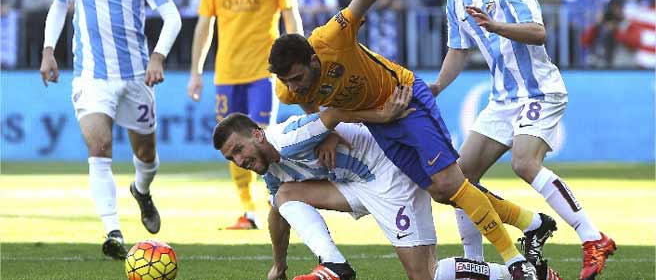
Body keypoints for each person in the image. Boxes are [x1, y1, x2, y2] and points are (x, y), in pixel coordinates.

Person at [268, 0, 547, 280]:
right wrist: (328, 135)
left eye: (296, 78)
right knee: (440, 192)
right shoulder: (289, 88)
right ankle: (532, 223)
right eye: (286, 81)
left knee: (451, 183)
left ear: (313, 60)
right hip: (380, 122)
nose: (292, 87)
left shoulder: (331, 37)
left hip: (406, 99)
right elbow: (309, 103)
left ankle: (515, 262)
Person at [421, 0, 616, 280]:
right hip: (502, 100)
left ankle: (593, 238)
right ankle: (474, 262)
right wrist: (438, 86)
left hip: (540, 91)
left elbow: (539, 31)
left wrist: (496, 26)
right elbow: (458, 50)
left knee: (524, 162)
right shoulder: (456, 0)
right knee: (457, 179)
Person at [213, 92, 545, 280]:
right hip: (354, 184)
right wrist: (279, 265)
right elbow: (278, 214)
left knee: (425, 274)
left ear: (257, 134)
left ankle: (517, 274)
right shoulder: (269, 169)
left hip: (386, 174)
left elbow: (338, 110)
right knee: (283, 197)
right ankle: (334, 265)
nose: (239, 161)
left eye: (239, 150)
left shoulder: (288, 137)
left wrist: (384, 115)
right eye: (232, 158)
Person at [39, 0, 181, 260]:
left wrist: (158, 57)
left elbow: (172, 16)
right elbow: (58, 8)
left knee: (145, 156)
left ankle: (141, 190)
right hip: (90, 76)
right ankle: (113, 232)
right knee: (99, 149)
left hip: (135, 76)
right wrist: (47, 51)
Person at [187, 0, 303, 230]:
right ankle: (248, 210)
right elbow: (204, 26)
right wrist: (197, 71)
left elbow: (291, 17)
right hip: (226, 74)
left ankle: (275, 198)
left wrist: (299, 59)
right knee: (231, 143)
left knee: (259, 137)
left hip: (263, 73)